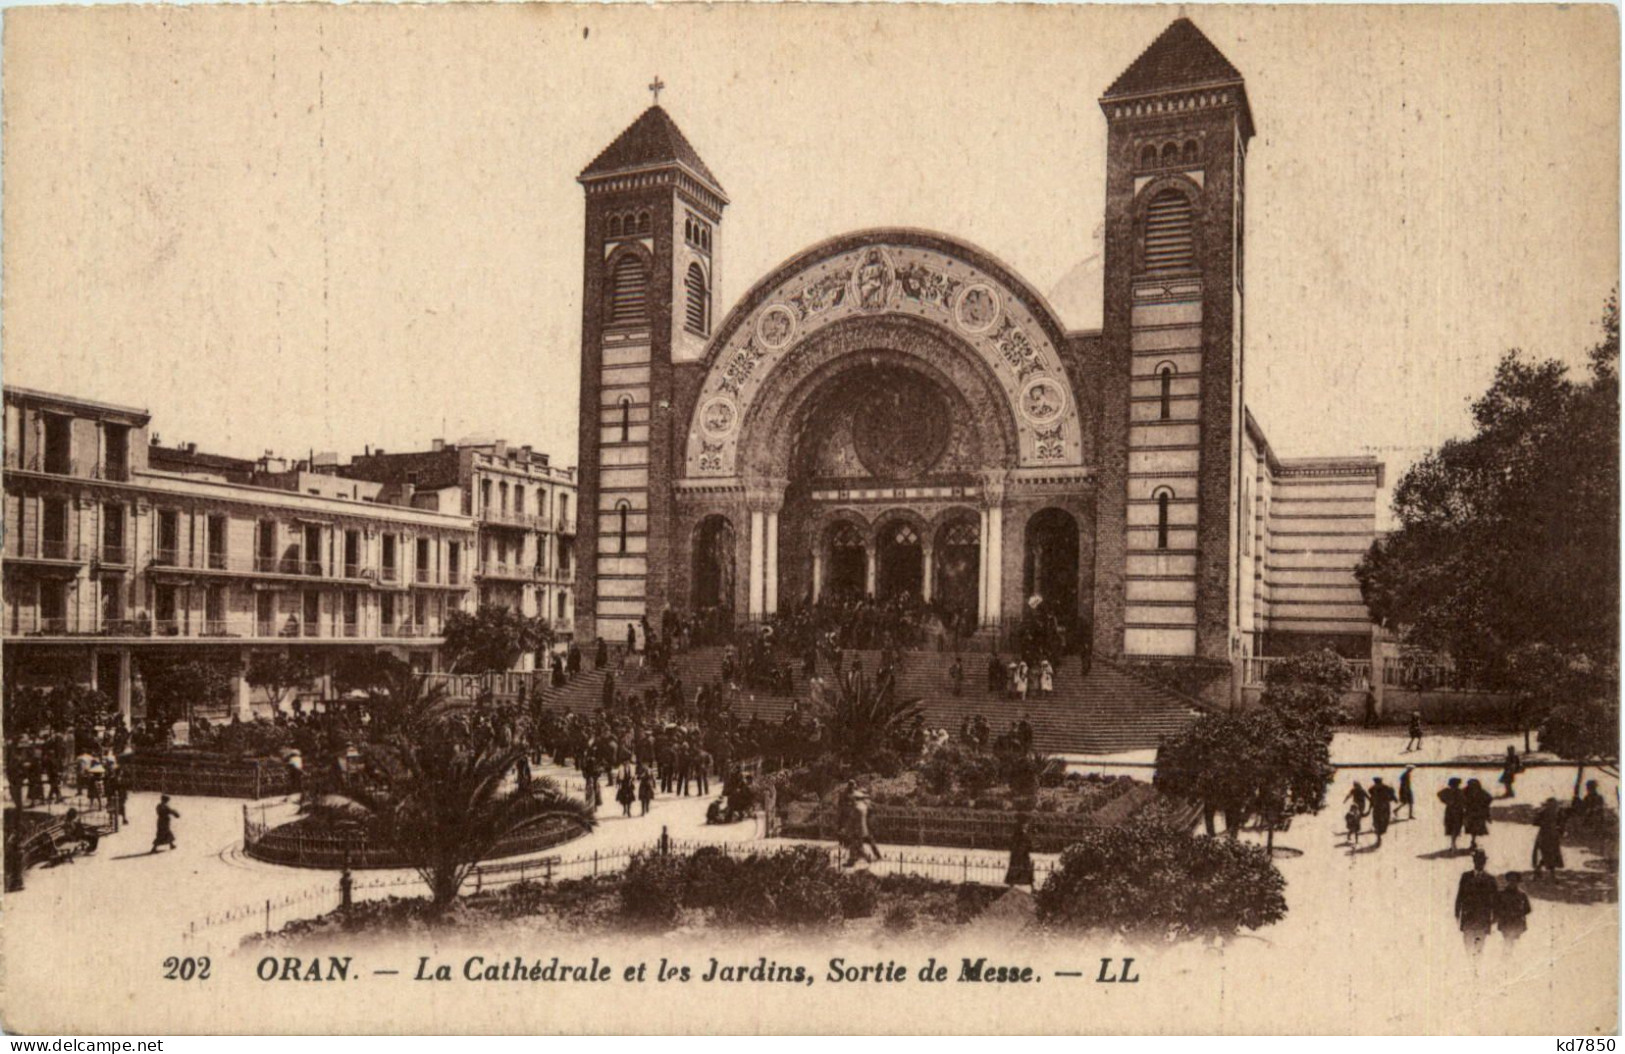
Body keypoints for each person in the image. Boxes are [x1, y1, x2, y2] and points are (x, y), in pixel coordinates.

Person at [1455, 849, 1499, 954]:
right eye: (1477, 860)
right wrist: (1457, 913)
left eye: (1482, 861)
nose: (1480, 863)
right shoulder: (1465, 877)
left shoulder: (1490, 879)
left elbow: (1496, 900)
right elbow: (1460, 895)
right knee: (1468, 946)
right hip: (1468, 918)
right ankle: (1471, 966)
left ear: (1485, 862)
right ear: (1474, 861)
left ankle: (1476, 968)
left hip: (1482, 919)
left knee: (1479, 947)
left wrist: (1496, 916)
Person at [1531, 797, 1567, 876]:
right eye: (1550, 805)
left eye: (1553, 805)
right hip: (1544, 835)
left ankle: (1540, 869)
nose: (1552, 807)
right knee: (1547, 853)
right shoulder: (1543, 812)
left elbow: (1562, 823)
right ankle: (1548, 872)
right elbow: (1535, 822)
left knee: (1552, 853)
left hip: (1553, 835)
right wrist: (1544, 823)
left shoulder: (1558, 812)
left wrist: (1560, 831)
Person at [1495, 871, 1532, 947]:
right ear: (1507, 881)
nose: (1512, 883)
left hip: (1516, 921)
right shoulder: (1502, 894)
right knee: (1508, 938)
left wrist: (1519, 913)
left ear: (1518, 882)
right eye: (1510, 881)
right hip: (1505, 920)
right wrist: (1502, 913)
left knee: (1511, 940)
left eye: (1514, 881)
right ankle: (1508, 954)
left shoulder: (1521, 894)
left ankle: (1509, 953)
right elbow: (1496, 907)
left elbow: (1528, 908)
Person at [1004, 816, 1035, 887]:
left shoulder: (1021, 833)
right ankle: (1019, 881)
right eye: (1025, 824)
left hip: (1020, 853)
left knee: (1018, 867)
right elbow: (1023, 843)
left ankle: (1016, 881)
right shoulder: (1021, 834)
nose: (1027, 825)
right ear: (1022, 825)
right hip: (1020, 853)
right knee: (1019, 867)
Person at [1463, 777, 1493, 850]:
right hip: (1471, 813)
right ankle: (1473, 842)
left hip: (1479, 814)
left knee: (1477, 829)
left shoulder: (1482, 793)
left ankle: (1475, 842)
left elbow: (1488, 799)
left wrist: (1486, 813)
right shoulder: (1465, 792)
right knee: (1472, 829)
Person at [1368, 776, 1397, 847]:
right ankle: (1379, 836)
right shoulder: (1386, 787)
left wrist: (1369, 808)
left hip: (1377, 808)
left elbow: (1371, 799)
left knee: (1378, 822)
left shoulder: (1372, 789)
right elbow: (1392, 794)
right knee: (1383, 822)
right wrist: (1394, 799)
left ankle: (1379, 837)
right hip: (1384, 807)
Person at [1439, 777, 1466, 851]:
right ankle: (1453, 843)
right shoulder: (1459, 792)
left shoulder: (1447, 791)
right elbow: (1464, 801)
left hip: (1450, 811)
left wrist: (1447, 801)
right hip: (1457, 812)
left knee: (1451, 827)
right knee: (1456, 827)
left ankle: (1453, 843)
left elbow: (1439, 794)